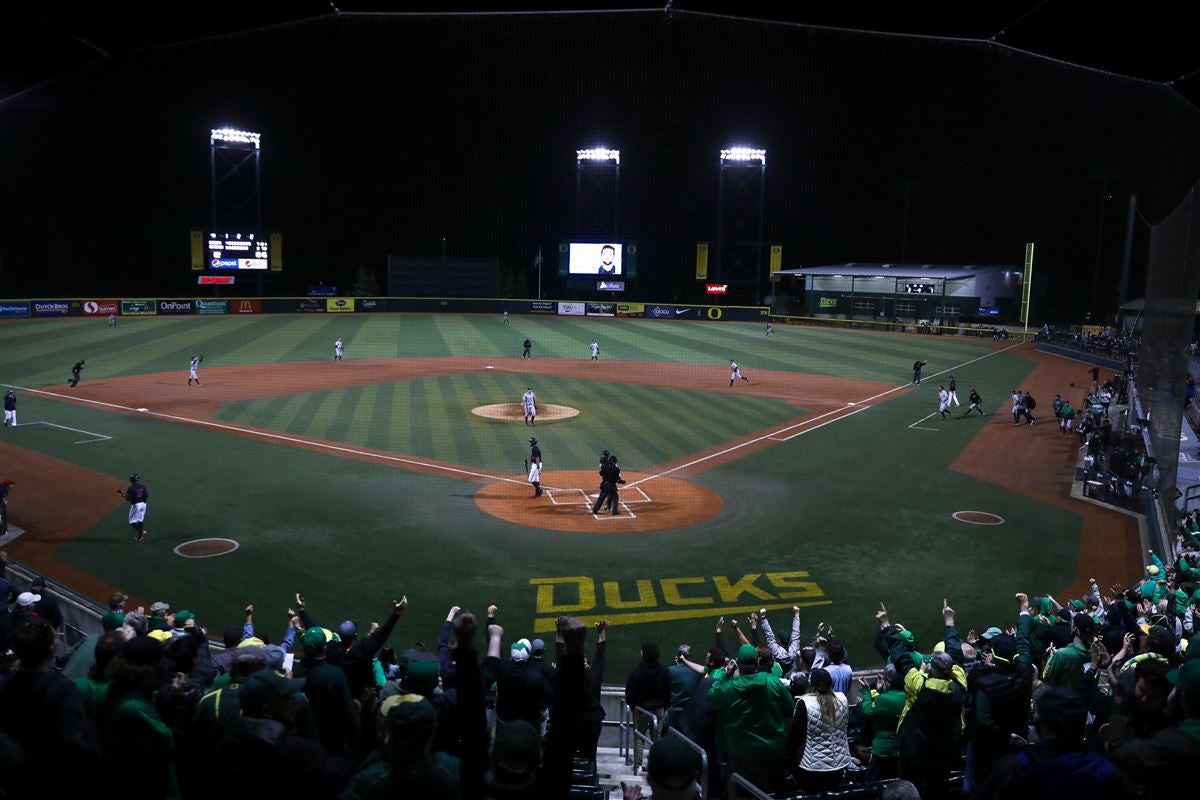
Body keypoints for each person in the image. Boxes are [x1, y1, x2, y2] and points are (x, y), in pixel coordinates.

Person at [788, 667, 852, 791]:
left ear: (812, 684)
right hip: (839, 766)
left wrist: (789, 763)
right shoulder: (842, 699)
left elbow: (795, 738)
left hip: (812, 768)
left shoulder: (804, 703)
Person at [117, 472, 149, 543]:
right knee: (140, 520)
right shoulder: (142, 486)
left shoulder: (131, 488)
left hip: (136, 505)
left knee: (132, 522)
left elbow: (128, 499)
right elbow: (146, 496)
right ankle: (140, 536)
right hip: (144, 505)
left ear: (131, 480)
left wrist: (123, 495)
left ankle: (141, 532)